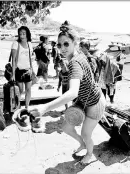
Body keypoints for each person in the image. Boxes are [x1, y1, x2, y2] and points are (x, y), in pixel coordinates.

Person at [25, 22, 106, 165]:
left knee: (86, 134)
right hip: (84, 99)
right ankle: (83, 144)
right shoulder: (77, 56)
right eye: (59, 45)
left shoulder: (74, 62)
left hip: (94, 103)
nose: (62, 48)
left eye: (66, 44)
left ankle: (89, 153)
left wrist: (45, 108)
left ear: (75, 43)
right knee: (67, 128)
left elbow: (73, 92)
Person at [11, 26, 34, 110]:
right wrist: (13, 74)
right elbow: (13, 60)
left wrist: (32, 69)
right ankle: (17, 107)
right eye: (20, 34)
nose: (22, 36)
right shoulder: (15, 44)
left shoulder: (29, 44)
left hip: (28, 70)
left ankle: (27, 108)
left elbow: (30, 58)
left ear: (27, 34)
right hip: (19, 71)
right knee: (20, 91)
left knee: (28, 90)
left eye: (24, 34)